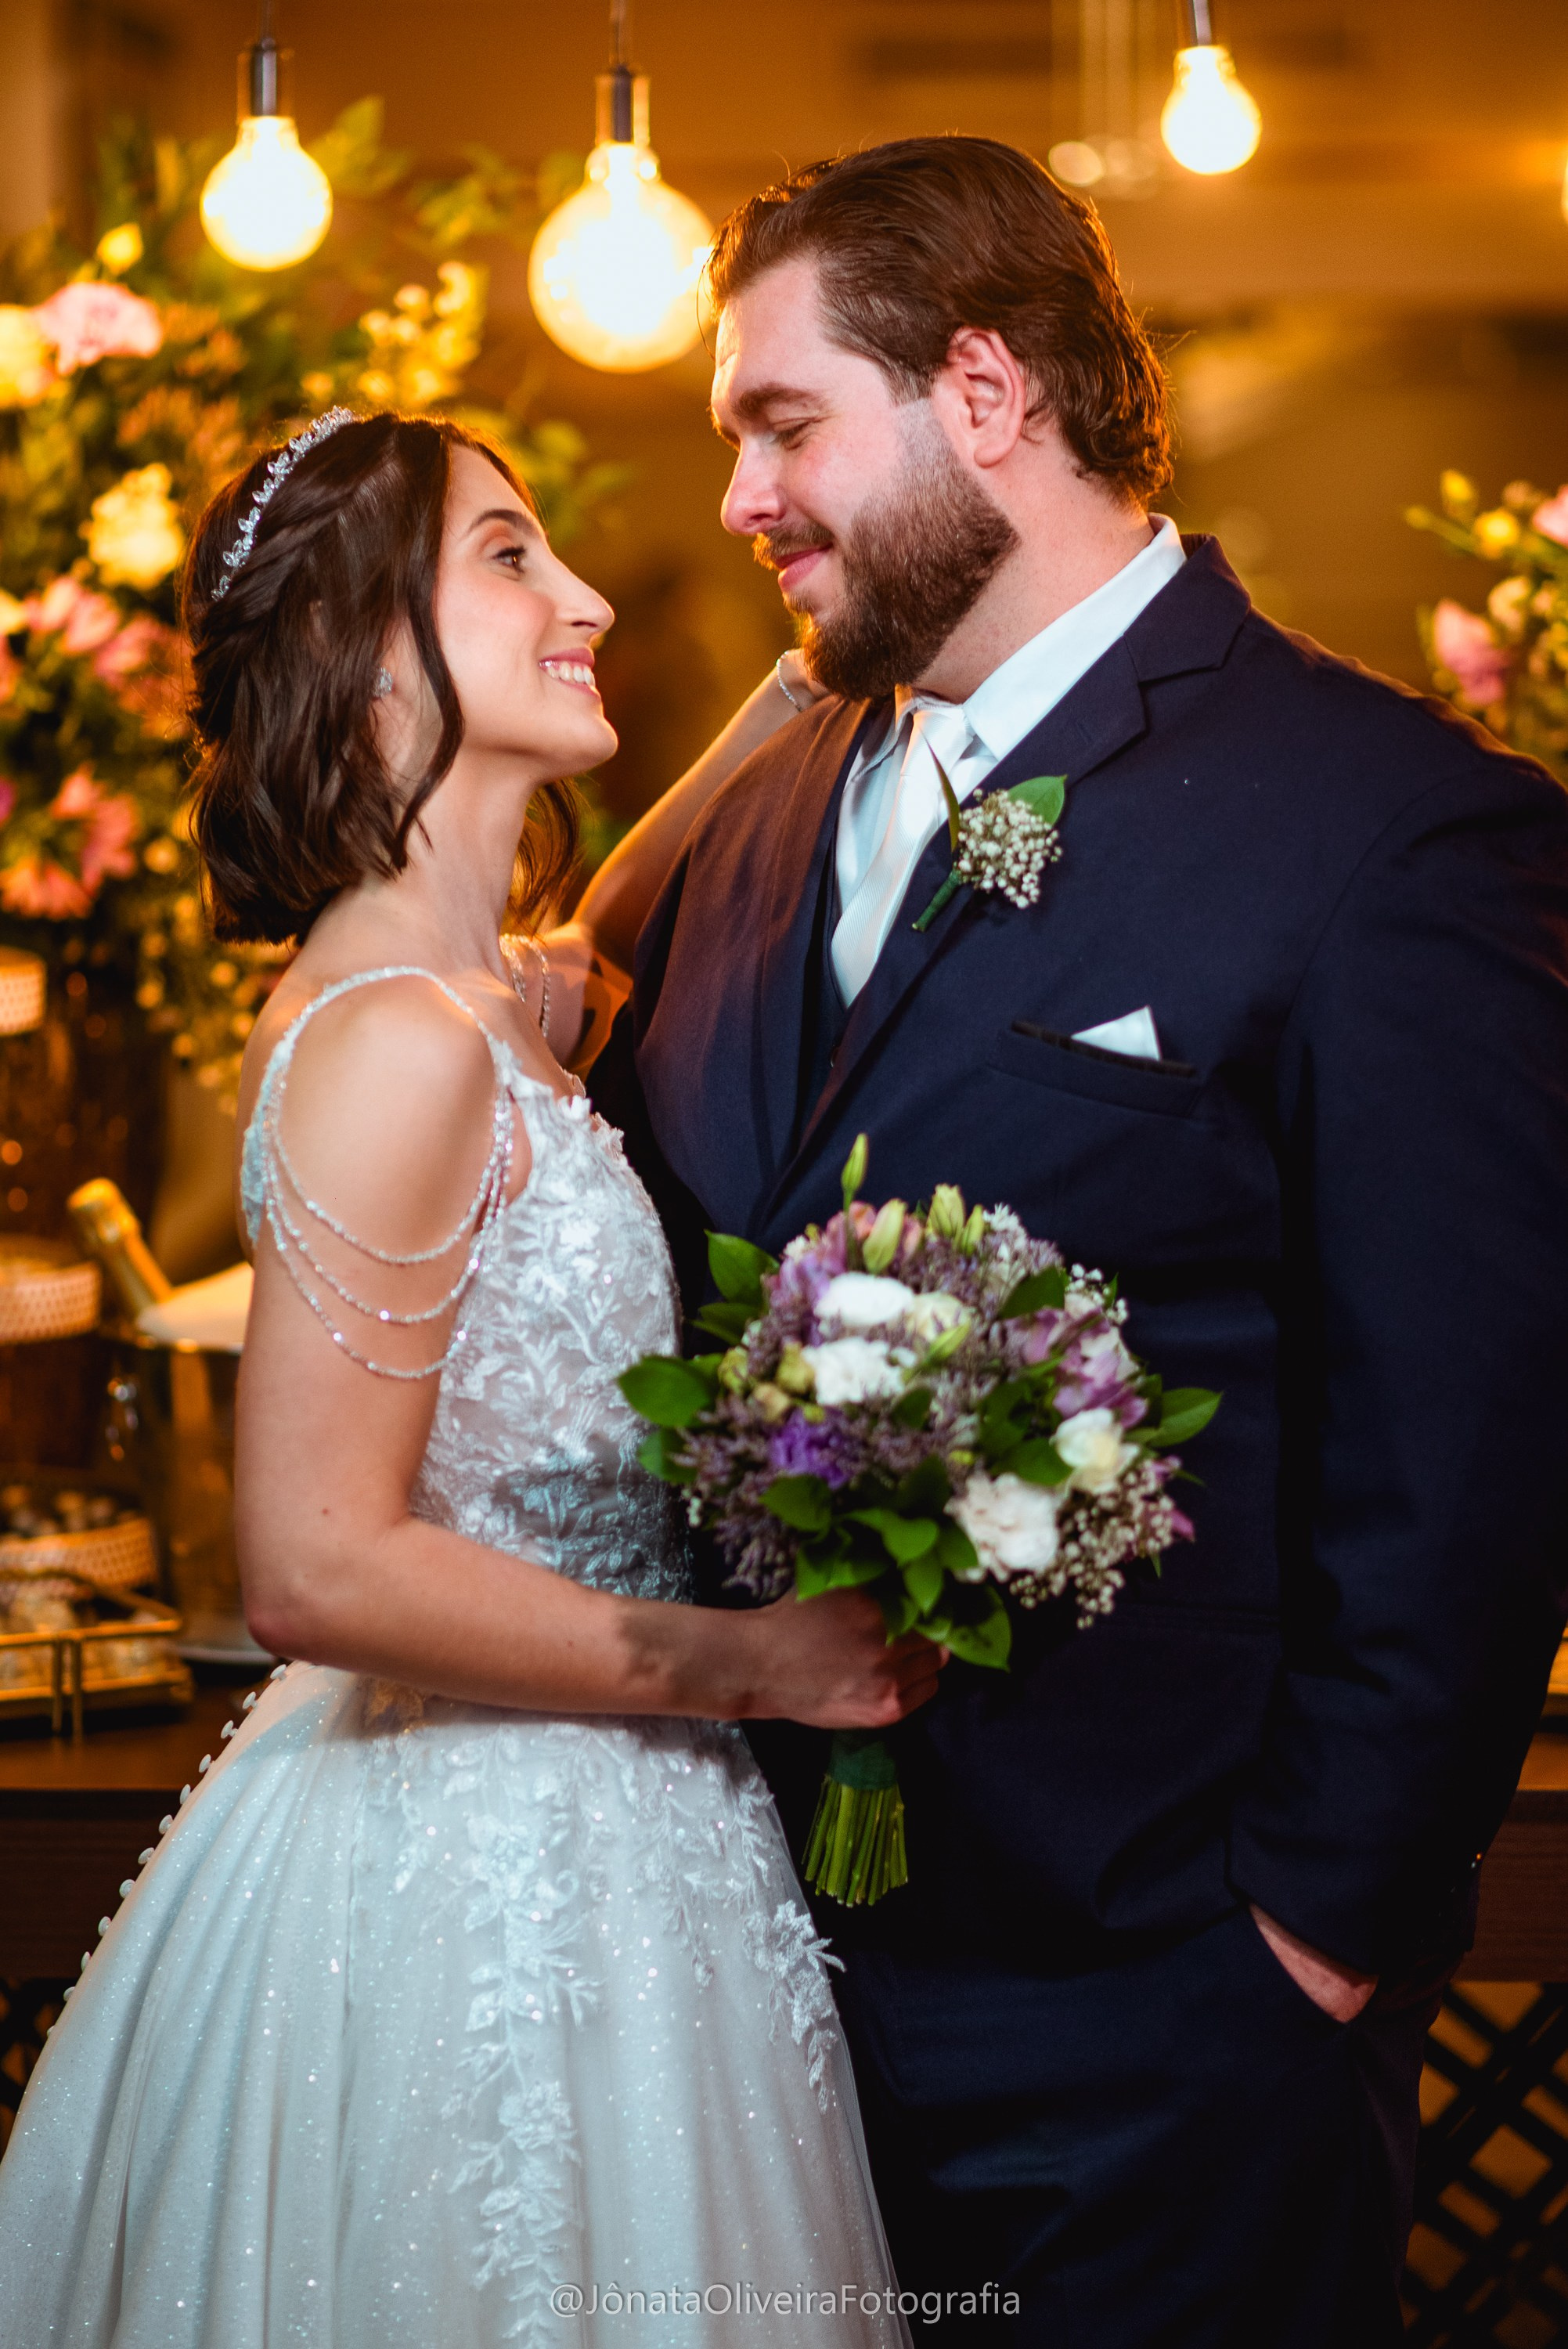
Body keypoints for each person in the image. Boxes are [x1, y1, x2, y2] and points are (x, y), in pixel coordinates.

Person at [581, 137, 1568, 2345]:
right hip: (729, 2008)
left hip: (1159, 2013)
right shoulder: (744, 813)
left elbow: (1476, 1453)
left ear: (989, 391)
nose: (741, 498)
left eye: (780, 423)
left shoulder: (1387, 831)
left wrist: (1308, 1938)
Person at [0, 410, 933, 2347]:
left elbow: (583, 936)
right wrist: (764, 1665)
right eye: (511, 556)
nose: (582, 593)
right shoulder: (402, 1043)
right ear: (357, 659)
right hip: (475, 1876)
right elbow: (314, 1573)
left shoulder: (455, 994)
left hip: (615, 1839)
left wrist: (792, 691)